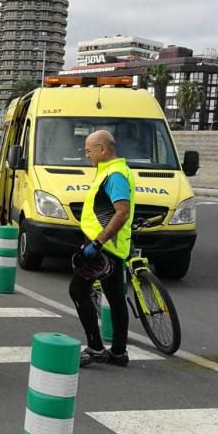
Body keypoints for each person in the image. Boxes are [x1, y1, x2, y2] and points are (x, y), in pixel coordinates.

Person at [69, 129, 135, 368]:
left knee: (78, 291)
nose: (87, 156)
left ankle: (96, 347)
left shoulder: (114, 175)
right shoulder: (111, 171)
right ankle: (118, 353)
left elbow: (122, 212)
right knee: (116, 298)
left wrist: (96, 243)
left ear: (102, 149)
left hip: (104, 247)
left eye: (89, 151)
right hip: (112, 246)